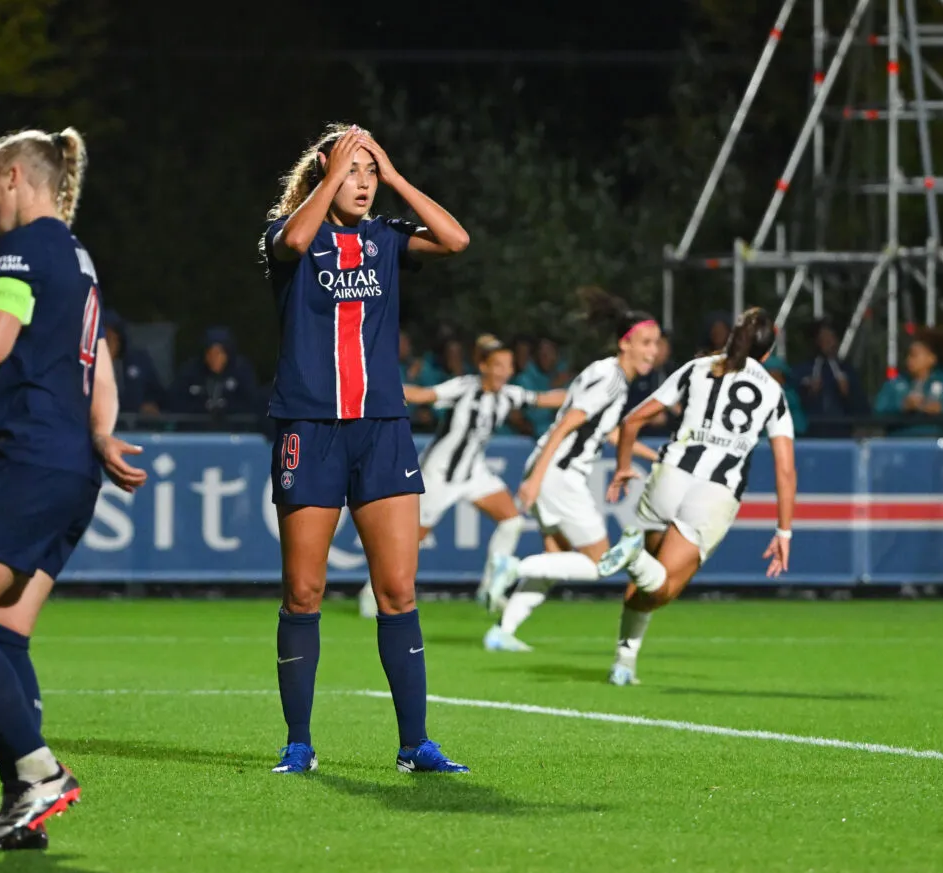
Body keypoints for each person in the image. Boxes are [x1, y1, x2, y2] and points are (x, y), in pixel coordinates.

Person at [0, 126, 145, 849]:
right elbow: (100, 362)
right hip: (73, 466)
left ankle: (41, 771)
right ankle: (23, 809)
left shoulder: (23, 248)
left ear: (14, 175)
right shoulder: (78, 259)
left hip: (30, 457)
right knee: (3, 633)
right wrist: (104, 433)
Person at [261, 123, 471, 775]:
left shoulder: (385, 238)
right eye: (352, 170)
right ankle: (299, 740)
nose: (362, 182)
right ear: (324, 171)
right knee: (304, 589)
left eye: (369, 172)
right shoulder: (288, 233)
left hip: (382, 426)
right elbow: (295, 238)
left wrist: (397, 174)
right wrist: (331, 174)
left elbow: (456, 239)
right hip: (311, 426)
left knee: (399, 590)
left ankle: (415, 744)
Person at [599, 308, 795, 685]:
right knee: (664, 587)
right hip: (713, 493)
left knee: (649, 576)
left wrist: (624, 465)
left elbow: (632, 421)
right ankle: (634, 558)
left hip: (669, 476)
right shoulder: (773, 391)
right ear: (767, 353)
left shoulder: (698, 368)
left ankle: (624, 663)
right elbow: (785, 469)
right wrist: (784, 531)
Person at [484, 290, 661, 652]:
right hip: (559, 477)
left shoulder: (607, 374)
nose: (652, 351)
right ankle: (514, 567)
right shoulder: (611, 379)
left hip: (550, 471)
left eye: (656, 343)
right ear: (625, 343)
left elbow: (601, 430)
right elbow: (567, 422)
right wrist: (536, 480)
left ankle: (503, 631)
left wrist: (649, 455)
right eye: (645, 342)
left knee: (555, 561)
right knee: (600, 564)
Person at [357, 335, 565, 618]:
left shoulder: (509, 394)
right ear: (483, 366)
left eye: (509, 365)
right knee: (410, 540)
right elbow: (423, 395)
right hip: (438, 476)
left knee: (512, 521)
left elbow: (544, 399)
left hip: (474, 473)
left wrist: (583, 398)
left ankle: (490, 589)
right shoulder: (464, 387)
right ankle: (371, 590)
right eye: (499, 365)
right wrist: (374, 390)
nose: (505, 371)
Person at [873, 328, 943, 436]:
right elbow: (877, 412)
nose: (909, 360)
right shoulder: (895, 384)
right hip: (898, 446)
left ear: (932, 358)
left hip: (934, 446)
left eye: (914, 355)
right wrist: (903, 406)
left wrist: (941, 408)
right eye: (908, 355)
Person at [166, 326, 258, 420]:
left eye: (218, 353)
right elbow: (175, 403)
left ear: (228, 354)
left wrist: (224, 410)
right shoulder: (190, 372)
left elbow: (251, 404)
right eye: (209, 353)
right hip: (196, 430)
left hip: (234, 431)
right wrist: (203, 408)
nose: (214, 358)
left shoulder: (241, 371)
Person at [792, 320, 866, 433]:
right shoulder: (802, 371)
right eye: (824, 338)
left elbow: (863, 409)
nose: (830, 342)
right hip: (811, 433)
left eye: (832, 338)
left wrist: (849, 392)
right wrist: (807, 392)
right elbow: (792, 403)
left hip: (841, 433)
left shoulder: (846, 371)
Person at [101, 310, 164, 417]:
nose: (107, 343)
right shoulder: (83, 365)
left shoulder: (139, 362)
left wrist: (150, 405)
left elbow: (159, 397)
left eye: (111, 337)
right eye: (103, 337)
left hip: (135, 428)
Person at [513, 335, 570, 437]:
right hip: (532, 437)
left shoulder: (563, 373)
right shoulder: (525, 378)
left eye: (549, 352)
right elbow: (532, 416)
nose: (545, 356)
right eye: (542, 352)